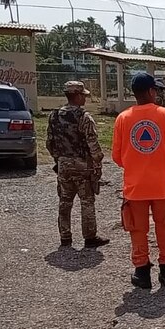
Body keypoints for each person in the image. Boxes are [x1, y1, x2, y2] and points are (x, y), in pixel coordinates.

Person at [112, 72, 165, 289]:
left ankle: (142, 273)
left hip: (136, 187)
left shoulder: (123, 118)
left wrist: (137, 163)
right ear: (152, 91)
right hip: (163, 185)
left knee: (137, 229)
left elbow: (117, 156)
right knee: (164, 228)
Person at [46, 81, 110, 249]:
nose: (85, 99)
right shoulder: (84, 117)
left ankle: (65, 237)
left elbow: (49, 143)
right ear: (78, 96)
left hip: (63, 163)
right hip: (82, 164)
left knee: (65, 201)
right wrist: (97, 162)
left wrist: (58, 159)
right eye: (84, 96)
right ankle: (89, 237)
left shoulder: (54, 116)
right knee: (87, 201)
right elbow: (93, 144)